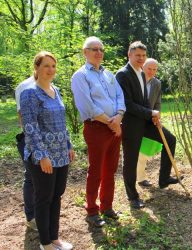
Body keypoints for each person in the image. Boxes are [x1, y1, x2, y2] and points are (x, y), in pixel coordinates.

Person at [20, 51, 74, 250]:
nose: (50, 70)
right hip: (42, 156)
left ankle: (55, 238)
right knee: (44, 198)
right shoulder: (29, 93)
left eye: (53, 66)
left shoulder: (56, 90)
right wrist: (41, 156)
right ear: (36, 68)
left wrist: (69, 145)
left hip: (61, 153)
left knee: (57, 195)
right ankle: (45, 242)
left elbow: (62, 123)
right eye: (46, 66)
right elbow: (30, 127)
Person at [116, 41, 179, 209]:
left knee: (170, 139)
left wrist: (152, 115)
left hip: (145, 121)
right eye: (138, 55)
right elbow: (127, 103)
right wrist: (150, 113)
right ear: (129, 55)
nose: (141, 58)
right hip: (130, 124)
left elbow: (144, 100)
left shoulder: (141, 73)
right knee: (131, 160)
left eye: (143, 55)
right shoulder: (123, 74)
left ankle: (163, 178)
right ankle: (133, 196)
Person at [71, 36, 126, 227]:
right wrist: (111, 122)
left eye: (101, 49)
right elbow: (87, 106)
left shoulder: (109, 74)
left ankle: (107, 207)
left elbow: (120, 96)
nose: (99, 52)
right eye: (94, 49)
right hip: (96, 128)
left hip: (115, 127)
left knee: (109, 170)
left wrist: (118, 116)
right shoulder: (80, 76)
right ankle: (92, 211)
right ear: (85, 52)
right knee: (95, 171)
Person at [15, 76, 37, 231]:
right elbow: (22, 117)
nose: (50, 70)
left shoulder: (51, 86)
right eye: (45, 66)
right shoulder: (25, 86)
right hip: (30, 140)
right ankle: (31, 217)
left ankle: (42, 214)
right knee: (31, 177)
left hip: (49, 141)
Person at [136, 58, 162, 187]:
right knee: (132, 150)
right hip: (134, 120)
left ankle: (140, 178)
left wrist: (157, 116)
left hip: (149, 120)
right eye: (149, 69)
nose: (152, 72)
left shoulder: (156, 83)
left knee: (144, 150)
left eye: (155, 69)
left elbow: (157, 103)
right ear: (143, 67)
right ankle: (133, 177)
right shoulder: (136, 80)